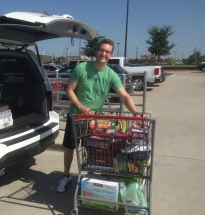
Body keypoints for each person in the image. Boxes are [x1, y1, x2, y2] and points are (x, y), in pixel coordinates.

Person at [56, 38, 141, 193]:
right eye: (101, 50)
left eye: (107, 52)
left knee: (93, 149)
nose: (103, 54)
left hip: (95, 120)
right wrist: (81, 107)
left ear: (111, 55)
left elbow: (124, 96)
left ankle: (90, 178)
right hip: (76, 116)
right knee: (70, 147)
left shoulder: (111, 74)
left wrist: (135, 113)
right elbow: (69, 90)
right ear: (96, 51)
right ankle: (66, 176)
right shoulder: (81, 68)